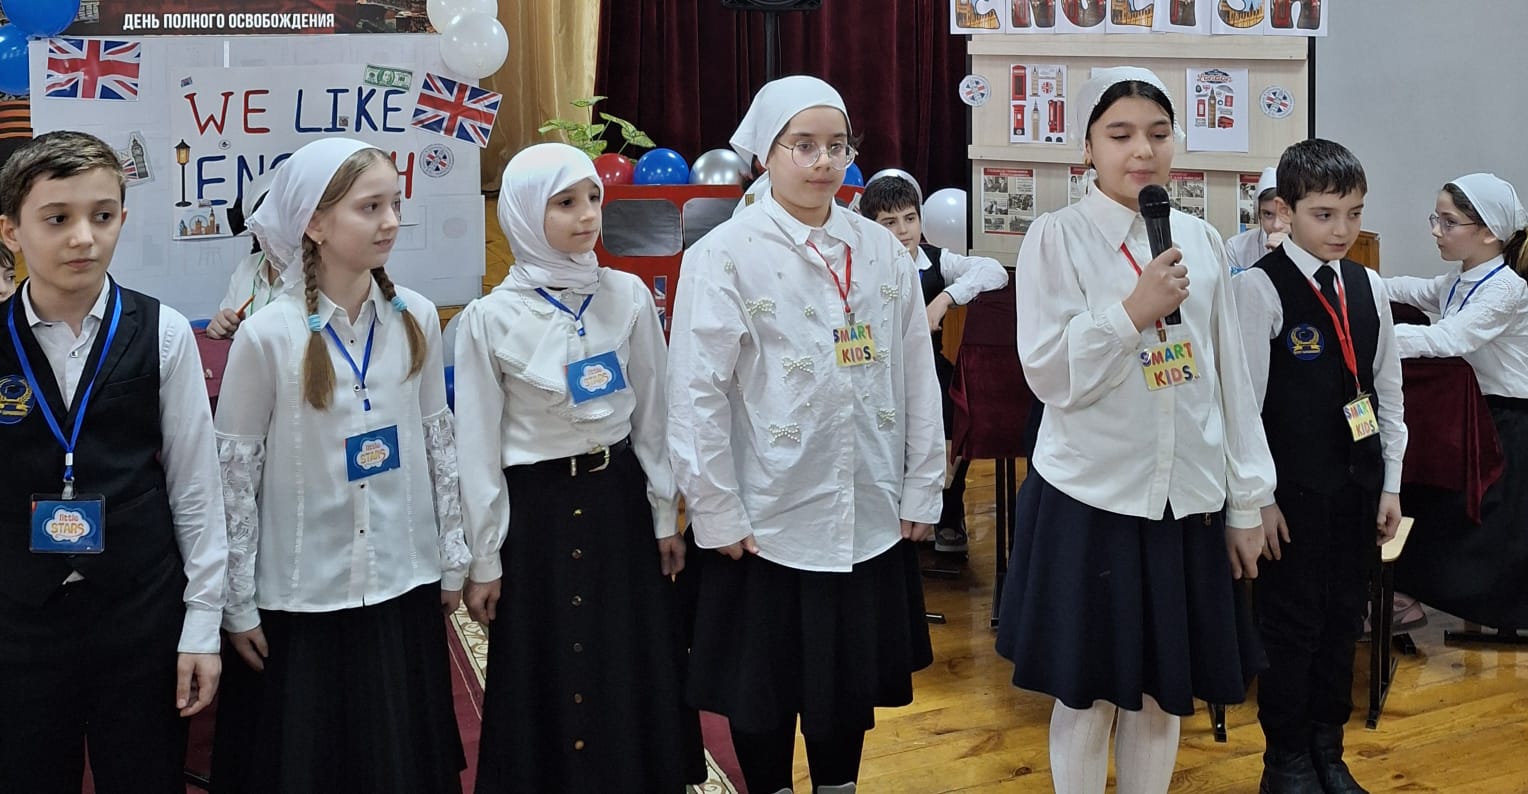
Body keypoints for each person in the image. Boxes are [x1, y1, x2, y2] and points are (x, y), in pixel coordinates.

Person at [993, 67, 1275, 794]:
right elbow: (1049, 374)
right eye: (1120, 134)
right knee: (1084, 695)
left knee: (1161, 692)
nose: (1142, 150)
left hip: (1187, 498)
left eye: (1158, 133)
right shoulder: (1057, 237)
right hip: (1093, 496)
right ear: (1087, 148)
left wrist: (1247, 500)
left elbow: (1230, 379)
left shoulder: (1201, 239)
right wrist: (1132, 312)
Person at [668, 75, 944, 794]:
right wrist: (716, 507)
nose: (824, 162)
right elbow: (695, 391)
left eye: (837, 145)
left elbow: (917, 371)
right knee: (763, 685)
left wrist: (923, 484)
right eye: (804, 145)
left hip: (867, 504)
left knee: (846, 680)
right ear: (766, 153)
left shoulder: (881, 250)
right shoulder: (724, 254)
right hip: (768, 512)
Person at [211, 138, 468, 792]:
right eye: (370, 207)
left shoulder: (415, 317)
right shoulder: (267, 335)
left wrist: (452, 554)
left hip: (402, 579)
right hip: (302, 597)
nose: (390, 221)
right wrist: (237, 603)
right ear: (316, 225)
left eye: (395, 204)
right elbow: (235, 477)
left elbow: (438, 442)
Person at [454, 142, 704, 792]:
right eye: (565, 202)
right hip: (535, 515)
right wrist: (485, 557)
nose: (588, 214)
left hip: (618, 503)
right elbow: (476, 447)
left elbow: (653, 415)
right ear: (524, 212)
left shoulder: (627, 296)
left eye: (593, 197)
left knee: (627, 654)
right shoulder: (489, 319)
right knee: (545, 659)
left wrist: (664, 514)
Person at [0, 130, 227, 790]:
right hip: (19, 618)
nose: (84, 238)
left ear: (122, 218)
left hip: (139, 612)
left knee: (145, 776)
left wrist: (202, 624)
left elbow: (195, 486)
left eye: (102, 216)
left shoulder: (163, 332)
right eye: (57, 219)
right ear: (12, 231)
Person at [1234, 138, 1407, 793]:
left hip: (1356, 488)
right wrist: (1257, 499)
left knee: (1343, 621)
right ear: (1284, 211)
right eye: (1324, 215)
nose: (1342, 230)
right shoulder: (1260, 288)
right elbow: (1244, 407)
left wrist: (1390, 483)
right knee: (1292, 626)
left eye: (1354, 214)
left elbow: (1386, 392)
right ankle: (1286, 760)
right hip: (1291, 495)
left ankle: (1328, 750)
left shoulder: (1367, 285)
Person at [1385, 172, 1528, 634]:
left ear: (1487, 232)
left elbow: (1449, 338)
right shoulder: (1461, 279)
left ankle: (1491, 614)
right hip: (1480, 414)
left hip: (1510, 421)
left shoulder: (1506, 289)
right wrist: (1351, 279)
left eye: (1448, 222)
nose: (1436, 231)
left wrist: (1375, 340)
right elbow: (1408, 289)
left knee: (1487, 529)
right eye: (1436, 219)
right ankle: (1408, 597)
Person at [859, 172, 1008, 554]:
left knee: (958, 417)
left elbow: (992, 271)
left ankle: (948, 510)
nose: (903, 230)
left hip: (926, 367)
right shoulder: (859, 265)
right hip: (876, 370)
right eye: (889, 222)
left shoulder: (936, 260)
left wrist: (944, 299)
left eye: (910, 218)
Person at [206, 170, 285, 339]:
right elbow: (225, 321)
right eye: (265, 221)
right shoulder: (247, 267)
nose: (275, 228)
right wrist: (220, 326)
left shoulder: (319, 274)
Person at [1226, 166, 1290, 275]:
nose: (1276, 225)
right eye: (1268, 214)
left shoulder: (1314, 248)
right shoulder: (1236, 248)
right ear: (1259, 214)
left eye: (1285, 213)